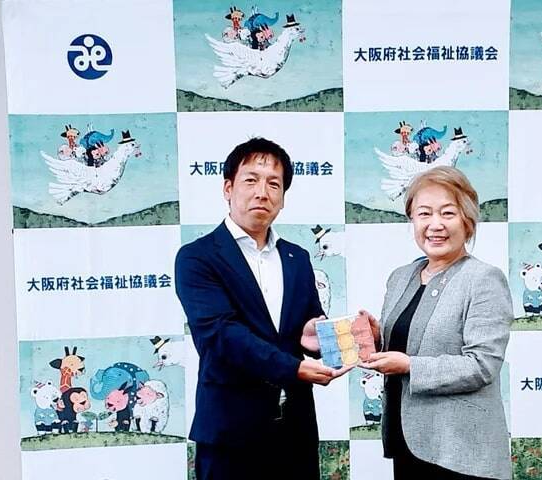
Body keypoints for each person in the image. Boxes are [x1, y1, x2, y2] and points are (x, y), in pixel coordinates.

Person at [175, 137, 348, 479]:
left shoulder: (297, 257)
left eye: (274, 184)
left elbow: (307, 328)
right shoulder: (197, 257)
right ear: (228, 188)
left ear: (283, 197)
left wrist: (340, 337)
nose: (262, 192)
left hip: (295, 432)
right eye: (251, 180)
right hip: (230, 433)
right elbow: (220, 335)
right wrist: (294, 368)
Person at [361, 166, 513, 480]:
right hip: (407, 442)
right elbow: (409, 344)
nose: (435, 224)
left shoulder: (483, 279)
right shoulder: (401, 277)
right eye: (424, 213)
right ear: (412, 220)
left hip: (462, 452)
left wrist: (409, 366)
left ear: (467, 221)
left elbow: (482, 365)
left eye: (447, 213)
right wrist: (376, 339)